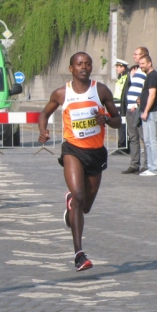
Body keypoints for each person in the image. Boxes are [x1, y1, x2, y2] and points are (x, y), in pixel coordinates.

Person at [38, 52, 121, 272]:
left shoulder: (101, 90)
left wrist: (107, 119)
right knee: (79, 195)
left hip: (96, 153)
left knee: (84, 207)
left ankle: (71, 205)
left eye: (87, 64)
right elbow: (44, 114)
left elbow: (118, 121)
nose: (84, 67)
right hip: (72, 150)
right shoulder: (61, 93)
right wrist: (43, 131)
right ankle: (79, 254)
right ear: (71, 68)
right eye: (79, 64)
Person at [122, 47, 149, 174]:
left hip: (137, 109)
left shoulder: (145, 71)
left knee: (143, 137)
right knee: (133, 138)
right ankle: (134, 164)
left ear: (143, 55)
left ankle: (147, 164)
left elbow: (146, 90)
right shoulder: (135, 70)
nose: (134, 56)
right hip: (129, 109)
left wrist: (138, 104)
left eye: (136, 54)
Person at [138, 55, 157, 176]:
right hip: (148, 111)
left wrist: (146, 111)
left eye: (143, 63)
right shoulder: (150, 76)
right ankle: (153, 166)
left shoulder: (152, 76)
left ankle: (154, 168)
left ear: (149, 63)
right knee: (147, 141)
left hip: (151, 112)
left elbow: (152, 95)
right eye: (140, 64)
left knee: (151, 141)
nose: (140, 66)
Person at [112, 59, 129, 154]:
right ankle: (122, 146)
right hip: (117, 104)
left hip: (123, 105)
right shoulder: (120, 77)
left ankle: (123, 147)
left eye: (118, 67)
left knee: (123, 126)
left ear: (123, 67)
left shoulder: (127, 77)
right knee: (120, 125)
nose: (116, 68)